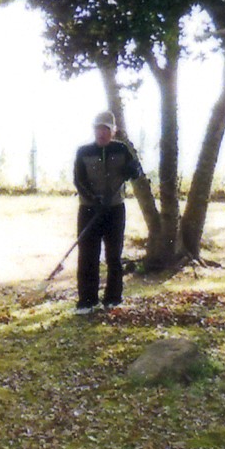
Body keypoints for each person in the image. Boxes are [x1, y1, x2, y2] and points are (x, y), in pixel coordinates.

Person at [72, 111, 145, 314]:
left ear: (113, 131)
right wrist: (94, 200)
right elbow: (79, 180)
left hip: (114, 209)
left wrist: (133, 170)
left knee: (114, 254)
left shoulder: (121, 149)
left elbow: (136, 170)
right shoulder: (83, 152)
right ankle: (87, 301)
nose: (101, 133)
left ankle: (113, 297)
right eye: (98, 128)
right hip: (89, 209)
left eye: (105, 129)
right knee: (88, 255)